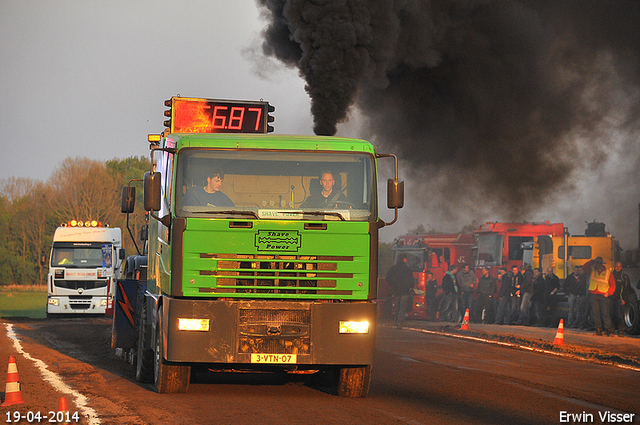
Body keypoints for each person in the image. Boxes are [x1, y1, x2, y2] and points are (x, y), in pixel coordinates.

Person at [582, 257, 615, 336]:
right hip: (593, 295)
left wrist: (609, 293)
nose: (598, 265)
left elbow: (612, 285)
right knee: (595, 313)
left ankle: (608, 329)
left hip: (603, 295)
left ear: (601, 264)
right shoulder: (592, 270)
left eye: (599, 263)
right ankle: (598, 329)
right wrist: (591, 262)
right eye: (596, 263)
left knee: (605, 313)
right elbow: (584, 267)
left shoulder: (608, 272)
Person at [385, 255, 415, 328]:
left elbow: (387, 278)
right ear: (405, 259)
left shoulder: (393, 268)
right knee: (402, 307)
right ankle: (400, 321)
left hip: (395, 291)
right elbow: (411, 280)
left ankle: (396, 319)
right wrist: (411, 286)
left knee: (396, 306)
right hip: (405, 291)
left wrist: (392, 284)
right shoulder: (408, 269)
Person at [611, 261, 632, 337]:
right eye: (616, 266)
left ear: (621, 267)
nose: (618, 268)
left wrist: (624, 299)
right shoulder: (611, 275)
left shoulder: (625, 277)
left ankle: (621, 330)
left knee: (620, 316)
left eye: (619, 266)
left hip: (620, 299)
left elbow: (627, 289)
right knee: (611, 315)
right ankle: (612, 330)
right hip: (611, 299)